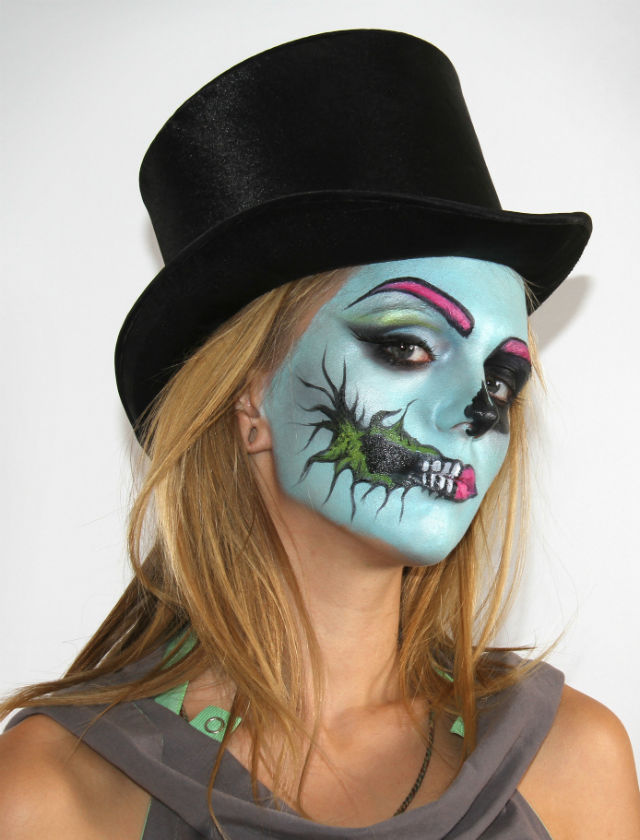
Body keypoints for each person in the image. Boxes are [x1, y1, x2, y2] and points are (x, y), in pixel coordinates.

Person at [1, 28, 638, 840]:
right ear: (249, 395)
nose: (476, 412)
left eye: (501, 380)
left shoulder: (573, 763)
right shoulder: (55, 795)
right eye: (406, 348)